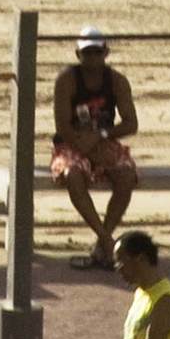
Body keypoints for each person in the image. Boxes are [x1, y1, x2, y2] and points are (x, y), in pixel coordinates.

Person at [51, 23, 139, 270]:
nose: (92, 58)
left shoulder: (117, 81)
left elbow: (131, 123)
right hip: (71, 143)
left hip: (103, 140)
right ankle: (108, 241)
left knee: (126, 175)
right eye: (87, 53)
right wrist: (84, 146)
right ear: (78, 55)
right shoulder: (67, 80)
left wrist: (101, 135)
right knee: (73, 175)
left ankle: (101, 245)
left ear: (106, 52)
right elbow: (62, 125)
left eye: (96, 52)